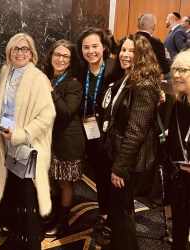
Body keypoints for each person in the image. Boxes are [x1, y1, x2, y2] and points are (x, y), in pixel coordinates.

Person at [0, 32, 56, 250]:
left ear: (32, 53)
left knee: (29, 197)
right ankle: (19, 234)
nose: (20, 53)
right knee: (15, 192)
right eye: (16, 49)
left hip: (27, 146)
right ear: (9, 52)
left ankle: (33, 241)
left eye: (24, 49)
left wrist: (21, 134)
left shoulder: (37, 77)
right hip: (7, 143)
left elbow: (48, 115)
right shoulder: (6, 72)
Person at [101, 33, 161, 250]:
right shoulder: (127, 77)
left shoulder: (143, 85)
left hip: (129, 162)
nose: (125, 54)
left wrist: (120, 168)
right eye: (124, 50)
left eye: (132, 51)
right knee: (119, 210)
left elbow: (136, 131)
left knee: (122, 211)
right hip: (120, 156)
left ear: (142, 55)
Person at [76, 27, 121, 245]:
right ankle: (104, 213)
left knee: (114, 178)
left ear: (104, 46)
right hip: (90, 133)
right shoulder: (80, 70)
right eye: (86, 47)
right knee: (100, 177)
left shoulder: (115, 68)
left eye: (95, 46)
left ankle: (114, 219)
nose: (91, 51)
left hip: (112, 134)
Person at [42, 39, 85, 237]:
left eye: (65, 56)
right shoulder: (47, 77)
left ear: (71, 60)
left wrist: (50, 91)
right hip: (48, 140)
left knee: (64, 183)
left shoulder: (73, 84)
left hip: (67, 142)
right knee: (50, 179)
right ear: (51, 56)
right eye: (57, 54)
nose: (60, 59)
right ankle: (52, 212)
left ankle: (63, 220)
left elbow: (66, 112)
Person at [165, 50, 190, 250]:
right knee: (180, 225)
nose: (176, 75)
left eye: (183, 70)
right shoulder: (180, 102)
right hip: (180, 177)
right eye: (174, 70)